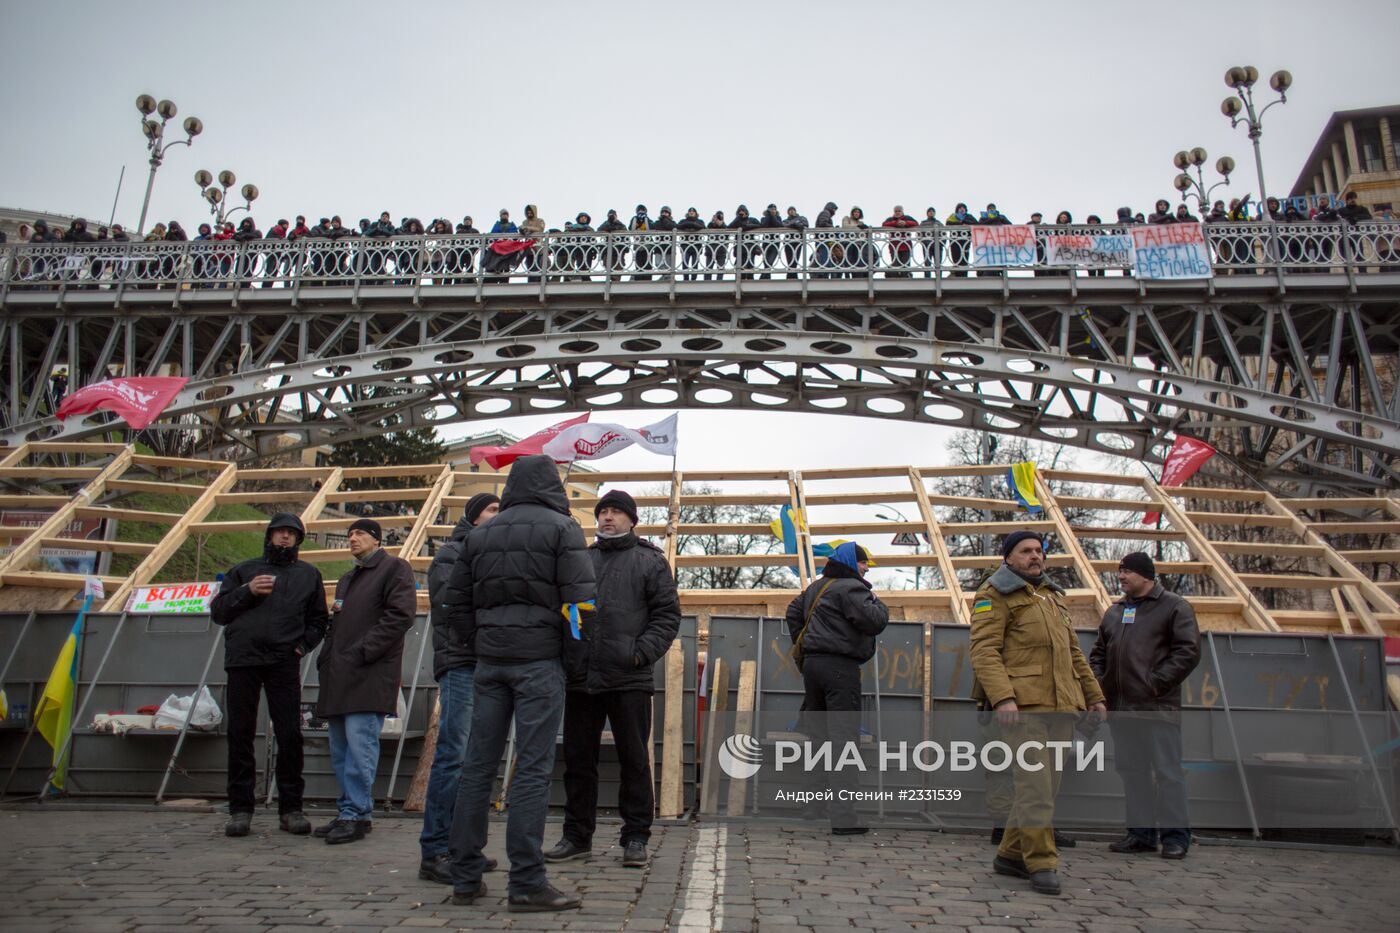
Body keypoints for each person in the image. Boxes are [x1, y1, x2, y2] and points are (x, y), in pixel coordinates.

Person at [445, 455, 596, 912]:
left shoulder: (481, 532)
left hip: (490, 664)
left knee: (477, 768)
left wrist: (481, 646)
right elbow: (582, 605)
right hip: (539, 663)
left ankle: (465, 877)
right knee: (531, 770)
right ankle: (527, 882)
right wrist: (572, 661)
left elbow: (455, 604)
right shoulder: (562, 527)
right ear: (553, 484)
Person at [546, 490, 680, 869]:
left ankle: (636, 837)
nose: (608, 518)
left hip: (628, 679)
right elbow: (564, 610)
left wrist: (639, 653)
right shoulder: (580, 559)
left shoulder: (650, 561)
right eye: (603, 511)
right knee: (577, 761)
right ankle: (576, 836)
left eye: (617, 512)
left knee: (634, 761)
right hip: (581, 678)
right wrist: (568, 654)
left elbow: (667, 617)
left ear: (632, 520)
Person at [970, 530, 1106, 896]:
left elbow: (1073, 652)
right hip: (1023, 707)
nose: (1036, 556)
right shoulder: (993, 595)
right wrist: (1003, 698)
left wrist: (1094, 695)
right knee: (1034, 787)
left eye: (1039, 551)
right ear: (1008, 558)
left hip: (1062, 706)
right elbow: (984, 651)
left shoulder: (1052, 597)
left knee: (1048, 787)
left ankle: (1010, 855)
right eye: (1026, 551)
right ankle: (1042, 862)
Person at [210, 513, 328, 838]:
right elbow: (219, 612)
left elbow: (319, 620)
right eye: (280, 533)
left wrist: (302, 647)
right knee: (240, 733)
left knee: (290, 734)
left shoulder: (308, 575)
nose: (285, 538)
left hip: (283, 661)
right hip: (243, 660)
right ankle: (240, 809)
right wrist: (247, 591)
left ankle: (291, 808)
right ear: (270, 536)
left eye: (291, 534)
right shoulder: (244, 571)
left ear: (298, 540)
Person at [1090, 552, 1200, 860]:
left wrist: (1155, 683)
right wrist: (1102, 682)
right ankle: (1140, 835)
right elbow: (1098, 653)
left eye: (1127, 572)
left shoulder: (1174, 607)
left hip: (1156, 708)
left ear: (1146, 575)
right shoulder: (1114, 612)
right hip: (1122, 709)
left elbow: (1188, 651)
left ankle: (1176, 837)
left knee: (1167, 773)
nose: (1121, 577)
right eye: (1120, 572)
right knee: (1132, 771)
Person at [313, 518, 417, 845]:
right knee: (341, 749)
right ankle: (351, 811)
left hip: (369, 674)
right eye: (349, 534)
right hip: (340, 675)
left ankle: (356, 813)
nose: (352, 538)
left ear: (376, 539)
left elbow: (400, 616)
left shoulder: (394, 569)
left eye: (359, 533)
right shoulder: (348, 579)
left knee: (361, 747)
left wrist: (363, 651)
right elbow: (337, 624)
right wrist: (327, 658)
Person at [418, 493, 501, 884]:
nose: (498, 517)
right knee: (452, 756)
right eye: (492, 511)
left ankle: (463, 848)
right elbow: (451, 607)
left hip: (485, 664)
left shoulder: (492, 552)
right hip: (461, 664)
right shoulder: (452, 554)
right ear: (473, 516)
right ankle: (434, 850)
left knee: (473, 760)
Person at [785, 541, 888, 834]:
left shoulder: (817, 587)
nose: (866, 569)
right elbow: (875, 621)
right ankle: (844, 817)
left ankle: (812, 806)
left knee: (818, 738)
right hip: (840, 670)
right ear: (851, 562)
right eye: (864, 563)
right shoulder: (850, 588)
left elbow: (793, 613)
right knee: (844, 741)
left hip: (813, 668)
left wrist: (805, 642)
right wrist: (878, 601)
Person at [882, 205, 918, 277]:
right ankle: (895, 280)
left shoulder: (907, 218)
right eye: (896, 211)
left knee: (905, 265)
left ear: (902, 211)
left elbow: (916, 223)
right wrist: (895, 223)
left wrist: (905, 223)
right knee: (895, 265)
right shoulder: (890, 219)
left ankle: (905, 279)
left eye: (899, 211)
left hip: (906, 246)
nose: (897, 213)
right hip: (894, 246)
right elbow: (884, 225)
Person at [945, 203, 975, 276]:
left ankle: (964, 274)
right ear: (957, 210)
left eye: (963, 208)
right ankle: (957, 273)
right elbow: (948, 223)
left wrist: (966, 222)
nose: (962, 209)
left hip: (965, 240)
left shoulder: (969, 216)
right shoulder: (953, 216)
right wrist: (961, 223)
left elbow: (975, 223)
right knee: (956, 257)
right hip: (955, 240)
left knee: (965, 256)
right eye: (960, 208)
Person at [677, 207, 706, 281]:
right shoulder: (683, 221)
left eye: (693, 211)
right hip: (685, 246)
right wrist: (690, 224)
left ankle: (693, 279)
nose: (691, 212)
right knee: (685, 263)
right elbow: (678, 226)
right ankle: (686, 279)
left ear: (696, 213)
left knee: (695, 264)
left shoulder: (700, 221)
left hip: (696, 246)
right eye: (690, 211)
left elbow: (703, 227)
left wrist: (691, 224)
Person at [781, 205, 809, 278]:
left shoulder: (802, 218)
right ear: (788, 213)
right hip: (788, 242)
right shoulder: (785, 220)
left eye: (793, 210)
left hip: (797, 242)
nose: (791, 211)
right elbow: (783, 226)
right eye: (790, 210)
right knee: (789, 260)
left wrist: (794, 224)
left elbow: (805, 225)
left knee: (795, 259)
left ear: (795, 211)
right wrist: (795, 224)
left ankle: (791, 276)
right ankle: (792, 275)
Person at [704, 210, 728, 280]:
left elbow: (727, 233)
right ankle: (707, 284)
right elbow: (707, 228)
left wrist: (721, 224)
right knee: (708, 270)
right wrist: (713, 222)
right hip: (710, 251)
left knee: (720, 270)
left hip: (721, 251)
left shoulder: (724, 226)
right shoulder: (711, 224)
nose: (719, 218)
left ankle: (720, 285)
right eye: (718, 217)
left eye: (720, 217)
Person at [918, 207, 941, 277]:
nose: (931, 213)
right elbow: (919, 234)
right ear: (927, 214)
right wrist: (923, 242)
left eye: (933, 211)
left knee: (938, 262)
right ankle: (927, 277)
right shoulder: (923, 223)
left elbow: (943, 233)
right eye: (930, 211)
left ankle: (939, 277)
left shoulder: (938, 223)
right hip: (926, 245)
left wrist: (942, 243)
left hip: (938, 245)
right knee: (927, 262)